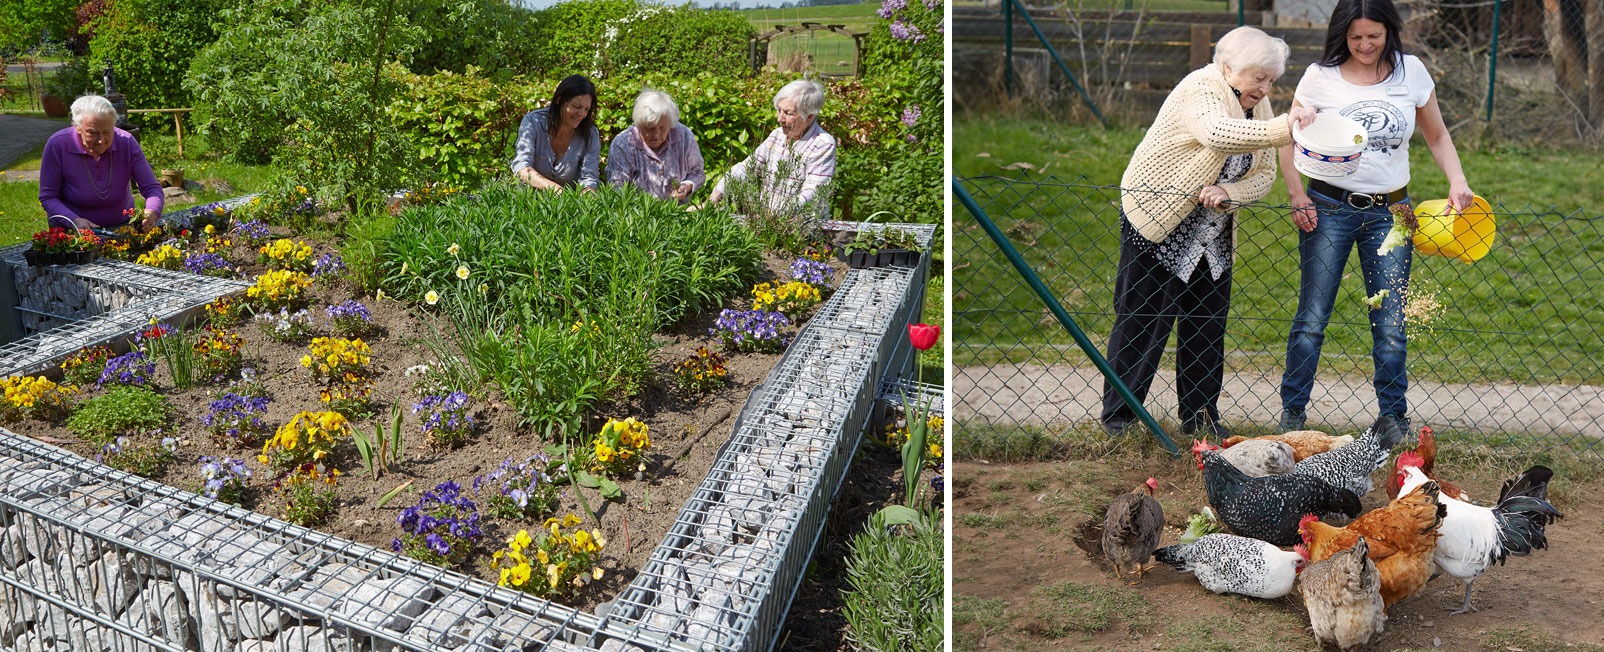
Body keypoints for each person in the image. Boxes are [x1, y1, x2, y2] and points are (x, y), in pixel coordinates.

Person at [1101, 26, 1316, 438]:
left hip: (1211, 234)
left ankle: (1200, 422)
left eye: (1271, 79)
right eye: (1259, 77)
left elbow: (1265, 172)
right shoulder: (1201, 86)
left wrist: (1229, 191)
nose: (1266, 87)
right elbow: (1215, 131)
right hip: (1159, 222)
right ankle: (1120, 422)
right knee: (1142, 323)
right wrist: (1287, 128)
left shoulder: (1261, 106)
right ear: (1228, 67)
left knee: (1205, 328)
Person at [1276, 0, 1474, 432]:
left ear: (1389, 32)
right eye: (1355, 37)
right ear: (1341, 35)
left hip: (1393, 211)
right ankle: (1293, 412)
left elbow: (1437, 135)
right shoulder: (1320, 77)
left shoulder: (1412, 72)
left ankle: (1392, 418)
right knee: (1313, 317)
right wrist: (1297, 196)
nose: (1365, 45)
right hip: (1327, 207)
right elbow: (1286, 136)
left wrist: (1457, 180)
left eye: (1374, 36)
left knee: (1390, 323)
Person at [703, 79, 835, 215]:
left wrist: (773, 214)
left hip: (802, 228)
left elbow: (811, 194)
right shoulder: (777, 135)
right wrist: (715, 196)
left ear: (809, 117)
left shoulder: (823, 144)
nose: (780, 119)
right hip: (768, 223)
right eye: (779, 110)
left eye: (788, 113)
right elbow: (746, 168)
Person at [38, 95, 163, 231]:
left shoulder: (126, 142)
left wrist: (152, 211)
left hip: (122, 226)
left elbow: (151, 188)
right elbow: (48, 197)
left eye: (107, 132)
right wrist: (74, 220)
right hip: (73, 229)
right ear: (77, 126)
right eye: (92, 132)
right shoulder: (58, 145)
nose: (101, 140)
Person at [606, 89, 705, 204]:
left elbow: (697, 172)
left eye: (663, 128)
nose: (656, 134)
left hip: (677, 213)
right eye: (650, 128)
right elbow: (617, 189)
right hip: (636, 216)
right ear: (639, 124)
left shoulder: (684, 136)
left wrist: (686, 186)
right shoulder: (622, 144)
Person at [511, 75, 601, 191]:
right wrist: (554, 189)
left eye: (586, 109)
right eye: (576, 106)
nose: (582, 114)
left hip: (568, 206)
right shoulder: (533, 122)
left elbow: (589, 179)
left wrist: (585, 199)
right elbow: (522, 168)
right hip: (527, 203)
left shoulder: (591, 134)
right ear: (559, 100)